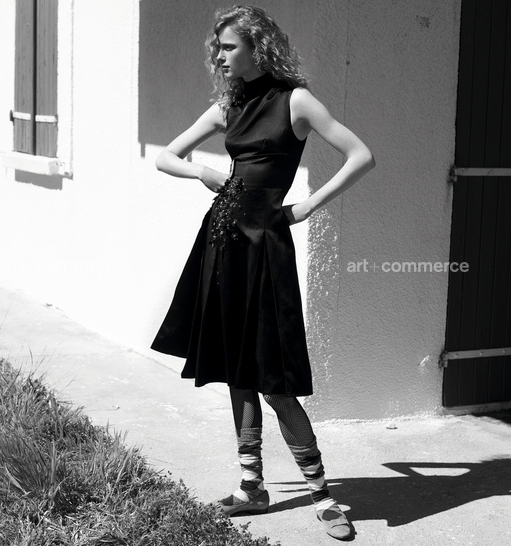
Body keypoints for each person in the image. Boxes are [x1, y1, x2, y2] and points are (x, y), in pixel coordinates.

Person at [151, 5, 374, 541]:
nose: (219, 56)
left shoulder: (295, 101)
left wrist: (307, 206)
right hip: (221, 242)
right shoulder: (228, 105)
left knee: (274, 378)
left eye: (229, 47)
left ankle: (322, 495)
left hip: (265, 245)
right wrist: (202, 171)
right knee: (237, 368)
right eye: (218, 48)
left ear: (257, 46)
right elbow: (166, 156)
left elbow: (360, 155)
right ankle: (252, 486)